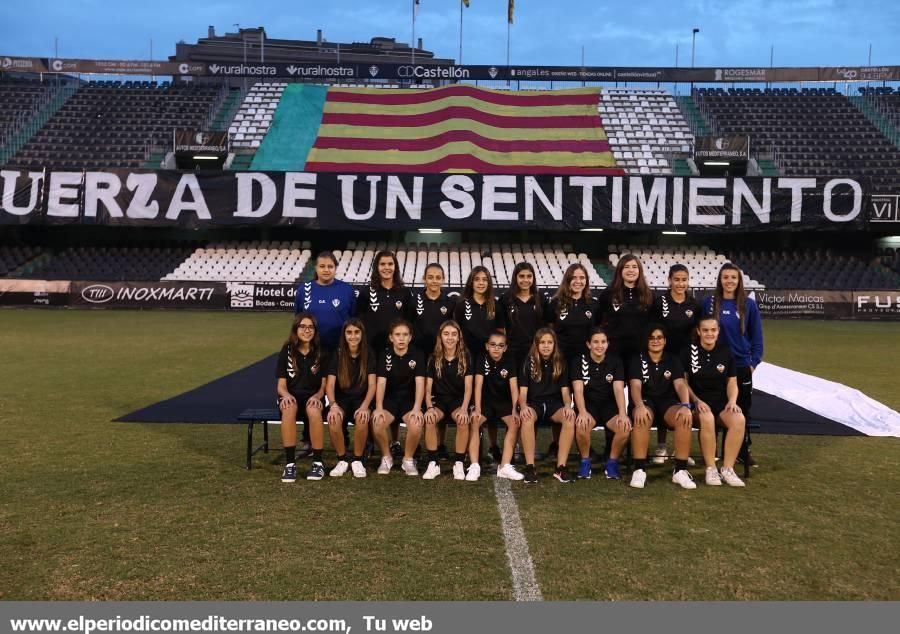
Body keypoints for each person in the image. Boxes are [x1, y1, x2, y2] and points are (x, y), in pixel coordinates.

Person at [703, 262, 763, 467]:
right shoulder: (710, 303)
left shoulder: (748, 304)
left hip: (740, 366)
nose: (729, 281)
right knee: (716, 408)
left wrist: (753, 363)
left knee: (741, 410)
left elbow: (757, 338)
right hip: (715, 366)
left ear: (739, 281)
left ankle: (742, 451)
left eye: (733, 277)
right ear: (720, 280)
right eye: (725, 277)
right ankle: (714, 452)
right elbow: (702, 332)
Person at [357, 250, 413, 459]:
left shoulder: (404, 293)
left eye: (390, 264)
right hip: (372, 353)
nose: (387, 267)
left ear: (395, 267)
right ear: (377, 267)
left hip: (396, 353)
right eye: (383, 264)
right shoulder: (367, 292)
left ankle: (396, 440)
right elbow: (359, 322)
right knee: (375, 396)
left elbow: (408, 324)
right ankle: (372, 441)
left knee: (396, 394)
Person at [627, 324, 696, 490]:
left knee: (684, 417)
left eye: (659, 337)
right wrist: (639, 406)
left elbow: (680, 384)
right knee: (641, 416)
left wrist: (686, 405)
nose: (655, 341)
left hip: (667, 403)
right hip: (645, 401)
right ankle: (639, 469)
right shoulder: (637, 359)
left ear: (665, 341)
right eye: (651, 338)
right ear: (646, 341)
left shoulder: (673, 359)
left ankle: (680, 471)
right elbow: (635, 386)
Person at [681, 316, 746, 487]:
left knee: (739, 419)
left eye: (713, 330)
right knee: (707, 417)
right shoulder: (689, 351)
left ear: (718, 331)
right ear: (698, 331)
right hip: (697, 406)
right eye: (705, 330)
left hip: (721, 405)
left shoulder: (725, 352)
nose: (709, 334)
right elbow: (683, 382)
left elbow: (732, 382)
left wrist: (732, 401)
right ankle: (711, 468)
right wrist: (696, 400)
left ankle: (727, 469)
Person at [544, 262, 600, 459]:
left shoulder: (593, 304)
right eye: (574, 277)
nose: (578, 281)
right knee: (559, 400)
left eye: (582, 278)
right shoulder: (555, 303)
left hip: (585, 361)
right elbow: (550, 331)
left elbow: (596, 333)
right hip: (561, 359)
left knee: (584, 399)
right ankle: (556, 443)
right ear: (567, 280)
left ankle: (584, 443)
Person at [649, 263, 700, 465]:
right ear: (669, 280)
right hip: (663, 358)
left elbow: (697, 333)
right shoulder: (660, 301)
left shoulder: (694, 304)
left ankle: (682, 448)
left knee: (683, 400)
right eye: (676, 279)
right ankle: (661, 447)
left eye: (684, 280)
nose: (680, 283)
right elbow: (653, 328)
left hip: (686, 360)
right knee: (663, 399)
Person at [409, 262, 457, 461]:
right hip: (419, 356)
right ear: (424, 279)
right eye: (430, 277)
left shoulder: (449, 302)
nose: (434, 281)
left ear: (443, 280)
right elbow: (408, 327)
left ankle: (441, 443)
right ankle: (421, 444)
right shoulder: (415, 301)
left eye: (438, 277)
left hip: (441, 357)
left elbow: (452, 329)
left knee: (440, 398)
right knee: (420, 400)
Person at [454, 265, 503, 460]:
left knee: (489, 400)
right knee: (470, 403)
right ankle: (466, 450)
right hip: (467, 358)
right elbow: (455, 332)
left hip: (489, 360)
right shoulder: (461, 304)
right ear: (471, 282)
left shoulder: (495, 305)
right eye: (477, 279)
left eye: (484, 279)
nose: (481, 283)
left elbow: (501, 334)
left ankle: (492, 445)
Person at [570, 327, 631, 480]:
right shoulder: (579, 361)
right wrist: (582, 412)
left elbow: (618, 389)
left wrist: (623, 414)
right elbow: (577, 390)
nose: (599, 345)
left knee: (624, 428)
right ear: (588, 344)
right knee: (582, 424)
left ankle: (612, 463)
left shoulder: (615, 361)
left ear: (608, 344)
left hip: (608, 407)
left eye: (603, 342)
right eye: (595, 342)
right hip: (588, 406)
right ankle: (585, 462)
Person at [518, 328, 576, 484]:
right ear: (536, 344)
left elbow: (565, 392)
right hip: (534, 404)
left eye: (549, 342)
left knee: (570, 418)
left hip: (554, 406)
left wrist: (567, 406)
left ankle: (561, 467)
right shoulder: (528, 362)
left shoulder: (560, 361)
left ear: (554, 344)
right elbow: (522, 393)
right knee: (527, 417)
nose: (546, 346)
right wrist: (523, 406)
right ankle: (530, 466)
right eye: (542, 342)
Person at [275, 313, 327, 483]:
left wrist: (318, 396)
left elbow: (324, 385)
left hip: (314, 395)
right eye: (303, 326)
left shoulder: (321, 351)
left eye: (310, 327)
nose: (307, 330)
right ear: (296, 329)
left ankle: (318, 462)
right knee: (289, 409)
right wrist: (286, 395)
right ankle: (290, 464)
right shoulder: (287, 350)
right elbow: (281, 385)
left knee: (313, 409)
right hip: (291, 396)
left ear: (315, 330)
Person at [421, 320, 474, 480]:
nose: (450, 338)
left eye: (453, 334)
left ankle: (458, 463)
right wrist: (429, 407)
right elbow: (427, 388)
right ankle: (433, 463)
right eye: (446, 334)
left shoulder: (466, 357)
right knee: (429, 419)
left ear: (459, 337)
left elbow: (468, 387)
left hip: (458, 400)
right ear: (440, 337)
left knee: (463, 420)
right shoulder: (433, 358)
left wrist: (464, 408)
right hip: (439, 401)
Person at [372, 319, 425, 475]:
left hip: (409, 401)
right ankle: (386, 457)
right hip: (390, 400)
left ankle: (407, 460)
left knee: (416, 423)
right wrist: (379, 407)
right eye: (397, 335)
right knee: (377, 422)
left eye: (405, 335)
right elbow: (380, 383)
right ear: (391, 337)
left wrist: (416, 408)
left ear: (410, 337)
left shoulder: (418, 354)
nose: (401, 338)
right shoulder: (384, 354)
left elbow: (420, 383)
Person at [325, 319, 376, 479]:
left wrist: (365, 406)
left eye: (356, 332)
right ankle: (342, 459)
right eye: (349, 332)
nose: (353, 336)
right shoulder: (338, 353)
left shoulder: (369, 353)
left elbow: (373, 385)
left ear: (362, 334)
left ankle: (358, 460)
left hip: (361, 399)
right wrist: (333, 405)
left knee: (362, 418)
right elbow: (330, 384)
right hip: (341, 400)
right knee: (333, 419)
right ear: (344, 335)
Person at [471, 331, 524, 481]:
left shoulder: (510, 360)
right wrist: (477, 408)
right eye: (493, 345)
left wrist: (515, 409)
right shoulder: (482, 358)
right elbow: (478, 385)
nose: (496, 348)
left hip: (503, 402)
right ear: (487, 346)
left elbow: (514, 388)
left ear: (505, 348)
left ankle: (505, 466)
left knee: (515, 423)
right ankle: (474, 465)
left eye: (500, 346)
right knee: (474, 421)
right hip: (486, 402)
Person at [294, 251, 356, 353]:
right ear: (316, 268)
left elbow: (353, 318)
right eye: (322, 266)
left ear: (335, 268)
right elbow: (298, 318)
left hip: (340, 348)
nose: (326, 270)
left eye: (330, 266)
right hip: (310, 348)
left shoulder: (347, 290)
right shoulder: (304, 289)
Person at [597, 253, 654, 364]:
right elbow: (599, 320)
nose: (631, 270)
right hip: (613, 350)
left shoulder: (649, 294)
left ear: (639, 271)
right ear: (620, 270)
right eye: (626, 267)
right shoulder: (608, 293)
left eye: (634, 267)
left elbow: (651, 322)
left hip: (640, 350)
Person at [497, 261, 544, 369]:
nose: (525, 280)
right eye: (521, 276)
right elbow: (500, 328)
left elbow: (546, 327)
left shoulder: (541, 298)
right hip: (512, 351)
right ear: (515, 278)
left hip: (534, 350)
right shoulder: (506, 299)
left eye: (529, 276)